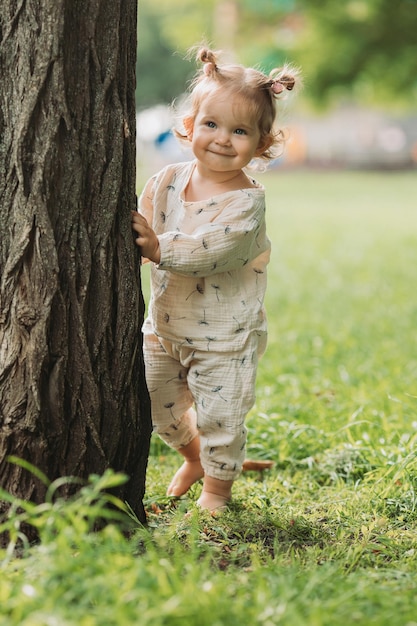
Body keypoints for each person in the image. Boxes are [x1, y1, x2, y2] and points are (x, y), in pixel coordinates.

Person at [132, 46, 299, 513]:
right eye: (212, 125)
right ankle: (192, 457)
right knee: (158, 407)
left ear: (262, 144)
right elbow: (144, 226)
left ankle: (217, 491)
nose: (223, 139)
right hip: (164, 326)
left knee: (222, 418)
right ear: (190, 126)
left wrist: (158, 247)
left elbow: (213, 248)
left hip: (225, 336)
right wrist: (142, 244)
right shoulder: (166, 179)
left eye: (240, 131)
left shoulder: (246, 203)